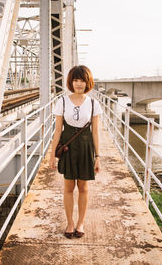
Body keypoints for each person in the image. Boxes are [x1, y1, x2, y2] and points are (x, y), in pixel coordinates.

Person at [49, 65, 103, 239]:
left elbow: (95, 131)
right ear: (71, 82)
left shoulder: (94, 103)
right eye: (75, 80)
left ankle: (81, 222)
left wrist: (98, 157)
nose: (79, 84)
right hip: (68, 147)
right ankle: (70, 223)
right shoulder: (62, 101)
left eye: (82, 80)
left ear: (88, 82)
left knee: (83, 187)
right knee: (68, 187)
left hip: (86, 147)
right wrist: (51, 155)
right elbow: (58, 130)